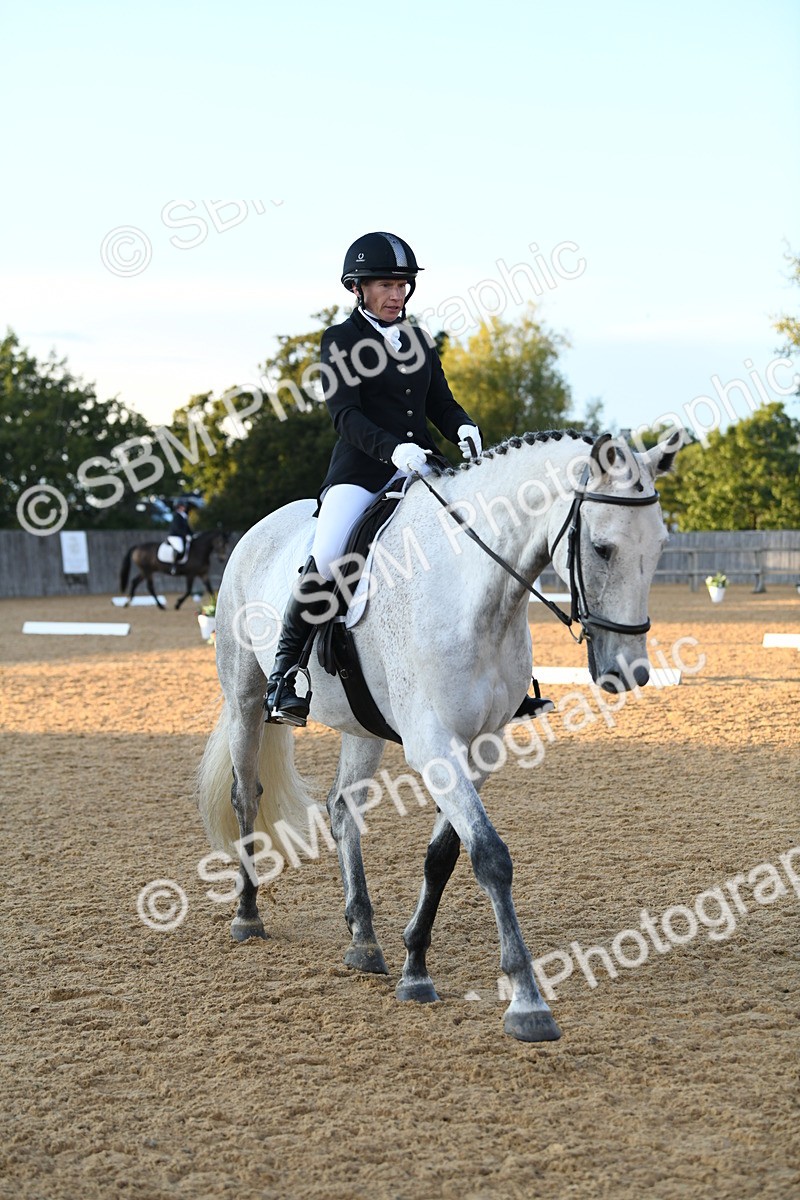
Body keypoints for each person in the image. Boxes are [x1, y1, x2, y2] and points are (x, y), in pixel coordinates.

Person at [264, 231, 552, 727]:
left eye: (403, 284)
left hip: (423, 469)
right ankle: (286, 673)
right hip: (361, 471)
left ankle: (503, 678)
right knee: (331, 554)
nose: (397, 293)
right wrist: (390, 448)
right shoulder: (340, 340)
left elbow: (440, 400)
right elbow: (345, 416)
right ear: (358, 288)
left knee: (482, 540)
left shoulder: (417, 339)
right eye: (385, 284)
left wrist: (461, 423)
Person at [165, 501, 192, 574]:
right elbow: (177, 528)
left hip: (181, 536)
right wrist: (185, 535)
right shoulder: (177, 516)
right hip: (175, 536)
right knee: (180, 549)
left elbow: (187, 528)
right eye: (182, 506)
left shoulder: (184, 516)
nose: (184, 508)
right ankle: (173, 566)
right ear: (178, 507)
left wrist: (192, 534)